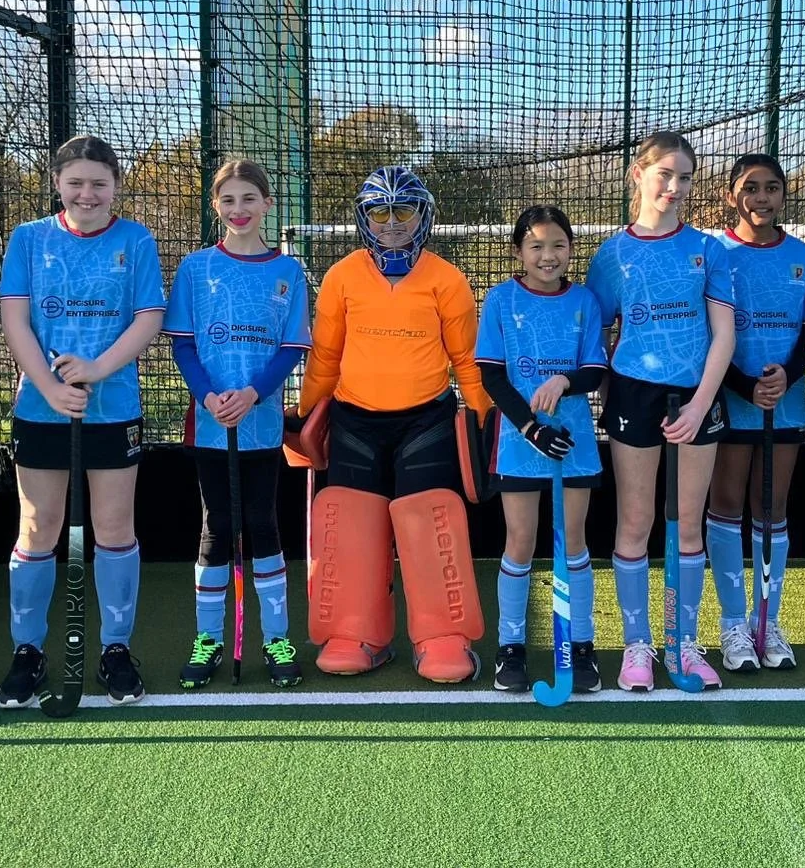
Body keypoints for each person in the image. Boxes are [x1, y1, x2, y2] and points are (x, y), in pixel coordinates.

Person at [298, 166, 493, 683]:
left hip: (425, 421)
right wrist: (302, 420)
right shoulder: (340, 276)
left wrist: (484, 421)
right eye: (378, 212)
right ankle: (354, 634)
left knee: (431, 523)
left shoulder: (447, 279)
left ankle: (442, 639)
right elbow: (324, 358)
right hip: (353, 421)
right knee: (352, 523)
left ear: (423, 216)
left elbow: (468, 361)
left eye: (403, 211)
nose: (391, 223)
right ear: (363, 218)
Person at [0, 135, 165, 707]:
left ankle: (116, 649)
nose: (87, 193)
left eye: (99, 183)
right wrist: (49, 386)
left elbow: (148, 318)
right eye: (76, 183)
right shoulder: (28, 239)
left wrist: (94, 370)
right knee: (38, 528)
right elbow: (14, 320)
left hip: (113, 406)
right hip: (41, 409)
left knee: (114, 529)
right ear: (58, 185)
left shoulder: (136, 239)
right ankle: (28, 651)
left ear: (115, 187)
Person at [586, 132, 735, 692]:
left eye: (686, 177)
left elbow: (724, 334)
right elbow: (596, 331)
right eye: (665, 175)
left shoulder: (708, 249)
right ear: (638, 175)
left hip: (698, 397)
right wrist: (603, 390)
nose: (675, 188)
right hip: (635, 397)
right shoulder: (613, 252)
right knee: (635, 520)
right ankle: (637, 647)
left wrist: (700, 404)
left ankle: (685, 643)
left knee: (687, 524)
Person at [165, 159, 310, 688]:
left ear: (268, 204)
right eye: (228, 200)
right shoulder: (196, 268)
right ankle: (208, 639)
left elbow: (292, 348)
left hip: (262, 421)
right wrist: (208, 397)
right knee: (217, 527)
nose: (239, 209)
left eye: (249, 198)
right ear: (216, 207)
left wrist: (252, 394)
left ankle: (276, 638)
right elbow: (182, 343)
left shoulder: (287, 272)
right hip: (210, 423)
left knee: (264, 523)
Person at [475, 205, 608, 694]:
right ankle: (510, 648)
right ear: (519, 252)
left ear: (570, 249)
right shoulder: (501, 301)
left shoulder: (585, 302)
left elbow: (595, 370)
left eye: (557, 245)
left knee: (573, 542)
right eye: (536, 246)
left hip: (572, 443)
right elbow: (491, 374)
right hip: (520, 441)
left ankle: (581, 643)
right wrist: (530, 427)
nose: (547, 256)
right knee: (521, 542)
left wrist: (564, 379)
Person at [706, 153, 805, 672]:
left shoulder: (803, 258)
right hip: (731, 400)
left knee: (771, 508)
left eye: (772, 188)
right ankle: (732, 623)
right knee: (727, 503)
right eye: (751, 188)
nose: (763, 198)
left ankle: (765, 619)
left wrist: (786, 377)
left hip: (785, 402)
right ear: (733, 195)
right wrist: (744, 385)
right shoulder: (714, 252)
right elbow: (706, 333)